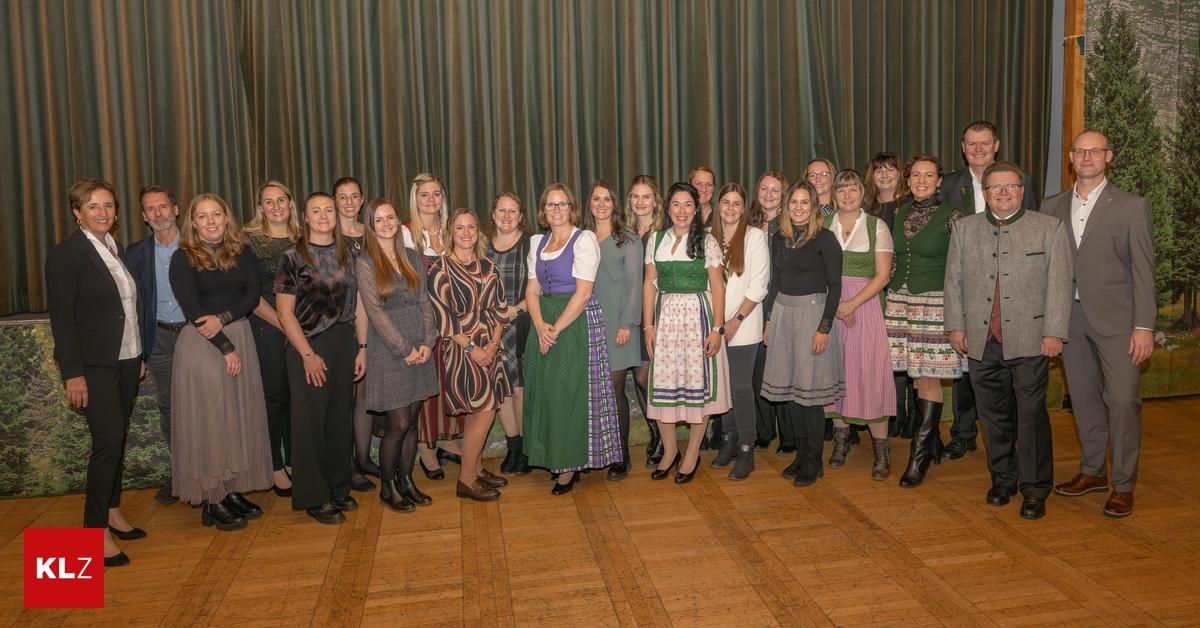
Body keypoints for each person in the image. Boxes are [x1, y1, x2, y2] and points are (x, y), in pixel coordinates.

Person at [944, 161, 1073, 520]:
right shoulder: (964, 229)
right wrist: (956, 326)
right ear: (983, 194)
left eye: (1010, 186)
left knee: (1031, 416)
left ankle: (1035, 489)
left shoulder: (1048, 229)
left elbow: (1060, 285)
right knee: (993, 417)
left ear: (1021, 190)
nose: (1002, 193)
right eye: (995, 188)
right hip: (982, 342)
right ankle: (1003, 479)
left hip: (1031, 341)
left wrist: (1054, 332)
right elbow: (953, 282)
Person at [1045, 130, 1156, 518]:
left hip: (1119, 322)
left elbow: (1144, 270)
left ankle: (1123, 484)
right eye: (1079, 151)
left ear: (1108, 157)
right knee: (1085, 399)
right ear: (1070, 158)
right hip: (1069, 321)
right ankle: (1093, 472)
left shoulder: (1131, 206)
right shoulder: (1051, 206)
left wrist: (1144, 325)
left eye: (1095, 151)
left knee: (1123, 401)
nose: (1086, 156)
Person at [45, 178, 145, 567]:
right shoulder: (67, 254)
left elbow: (126, 308)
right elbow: (63, 320)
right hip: (93, 365)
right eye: (93, 206)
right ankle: (93, 531)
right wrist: (73, 374)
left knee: (117, 437)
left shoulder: (113, 248)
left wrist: (137, 356)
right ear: (77, 212)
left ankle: (113, 511)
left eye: (107, 206)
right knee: (107, 441)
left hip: (126, 359)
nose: (102, 213)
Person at [168, 193, 273, 530]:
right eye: (203, 216)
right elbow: (193, 309)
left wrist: (225, 320)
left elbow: (251, 295)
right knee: (212, 421)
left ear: (226, 218)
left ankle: (231, 489)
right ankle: (212, 498)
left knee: (236, 418)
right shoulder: (183, 258)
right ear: (193, 222)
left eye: (217, 214)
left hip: (239, 334)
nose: (211, 221)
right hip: (204, 345)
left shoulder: (241, 251)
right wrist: (226, 347)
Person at [940, 121, 1040, 461]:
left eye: (985, 143)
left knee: (1006, 378)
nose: (978, 149)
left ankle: (1007, 440)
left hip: (1012, 293)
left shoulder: (1019, 181)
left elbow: (1033, 231)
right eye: (971, 144)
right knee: (965, 370)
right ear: (963, 148)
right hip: (967, 287)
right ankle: (963, 433)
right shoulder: (949, 184)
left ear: (996, 145)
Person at [275, 192, 369, 525]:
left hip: (344, 342)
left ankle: (338, 488)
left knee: (338, 419)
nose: (324, 215)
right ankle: (315, 496)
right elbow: (285, 315)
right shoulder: (292, 257)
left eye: (328, 209)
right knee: (310, 423)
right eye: (316, 210)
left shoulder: (350, 253)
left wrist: (362, 348)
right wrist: (307, 354)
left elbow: (357, 306)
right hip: (308, 345)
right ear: (305, 217)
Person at [524, 183, 623, 494]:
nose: (556, 210)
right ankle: (550, 455)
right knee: (545, 392)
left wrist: (555, 328)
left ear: (571, 208)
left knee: (568, 393)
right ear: (543, 210)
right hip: (544, 319)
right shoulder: (537, 242)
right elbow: (531, 289)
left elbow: (583, 294)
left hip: (574, 322)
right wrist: (540, 324)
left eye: (562, 204)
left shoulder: (585, 239)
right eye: (551, 205)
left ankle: (568, 466)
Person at [885, 154, 966, 488]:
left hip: (933, 303)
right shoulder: (900, 211)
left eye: (928, 175)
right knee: (917, 377)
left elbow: (964, 265)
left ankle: (918, 459)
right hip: (900, 300)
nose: (921, 181)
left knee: (928, 378)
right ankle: (932, 443)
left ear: (939, 180)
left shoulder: (953, 216)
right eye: (915, 175)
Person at [643, 182, 731, 483]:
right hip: (666, 320)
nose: (682, 211)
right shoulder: (655, 240)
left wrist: (718, 328)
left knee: (698, 387)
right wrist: (648, 326)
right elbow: (649, 285)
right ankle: (669, 451)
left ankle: (692, 452)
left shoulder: (707, 241)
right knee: (663, 386)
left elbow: (718, 287)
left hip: (698, 319)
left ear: (696, 209)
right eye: (676, 204)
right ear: (668, 208)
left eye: (688, 205)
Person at [357, 198, 439, 512]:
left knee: (414, 419)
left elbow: (424, 302)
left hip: (420, 345)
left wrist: (428, 341)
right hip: (390, 350)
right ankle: (388, 486)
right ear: (370, 225)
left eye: (390, 217)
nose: (386, 224)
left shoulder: (413, 256)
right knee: (399, 423)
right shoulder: (365, 263)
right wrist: (404, 348)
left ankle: (407, 479)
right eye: (379, 219)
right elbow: (375, 313)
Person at [428, 209, 514, 501]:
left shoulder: (488, 266)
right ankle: (465, 480)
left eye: (471, 228)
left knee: (481, 411)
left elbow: (501, 311)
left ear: (478, 231)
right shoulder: (440, 269)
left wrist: (493, 344)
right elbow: (444, 320)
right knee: (484, 409)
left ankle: (475, 468)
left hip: (490, 347)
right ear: (450, 232)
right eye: (460, 228)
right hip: (462, 350)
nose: (466, 233)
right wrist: (473, 349)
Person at [762, 181, 843, 487]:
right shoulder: (780, 238)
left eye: (804, 203)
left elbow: (835, 287)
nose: (798, 207)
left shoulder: (825, 239)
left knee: (810, 395)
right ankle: (800, 455)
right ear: (787, 205)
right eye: (793, 202)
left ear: (813, 207)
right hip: (783, 313)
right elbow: (774, 283)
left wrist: (824, 327)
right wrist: (769, 320)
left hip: (812, 316)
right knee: (791, 393)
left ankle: (814, 461)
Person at [823, 171, 896, 480]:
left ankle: (881, 445)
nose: (848, 195)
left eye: (853, 189)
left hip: (865, 308)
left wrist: (851, 304)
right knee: (838, 372)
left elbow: (883, 275)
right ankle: (840, 439)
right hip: (831, 303)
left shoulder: (876, 226)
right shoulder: (824, 225)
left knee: (869, 372)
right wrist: (836, 305)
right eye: (842, 190)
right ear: (834, 195)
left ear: (862, 193)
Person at [126, 185, 186, 505]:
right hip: (159, 339)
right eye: (150, 209)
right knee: (169, 408)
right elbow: (130, 307)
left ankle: (210, 474)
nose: (158, 213)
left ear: (176, 209)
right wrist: (138, 351)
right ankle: (180, 475)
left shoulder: (197, 246)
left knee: (203, 405)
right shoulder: (134, 254)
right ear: (144, 216)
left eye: (163, 206)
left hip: (195, 336)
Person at [583, 180, 644, 481]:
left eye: (607, 199)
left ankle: (622, 456)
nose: (601, 204)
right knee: (591, 391)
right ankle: (594, 453)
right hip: (586, 324)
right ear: (589, 203)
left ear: (615, 204)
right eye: (596, 199)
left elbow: (635, 286)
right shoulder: (581, 238)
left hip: (619, 326)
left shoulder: (628, 239)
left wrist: (626, 323)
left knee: (614, 390)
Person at [709, 183, 769, 480]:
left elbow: (759, 285)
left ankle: (747, 446)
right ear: (718, 206)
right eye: (726, 202)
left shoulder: (754, 237)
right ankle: (729, 440)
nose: (731, 208)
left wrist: (735, 321)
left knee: (742, 388)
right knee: (724, 387)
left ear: (744, 208)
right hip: (715, 327)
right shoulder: (709, 238)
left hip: (743, 327)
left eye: (737, 203)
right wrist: (717, 325)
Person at [243, 181, 300, 497]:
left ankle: (294, 460)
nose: (276, 206)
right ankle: (275, 466)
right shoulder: (249, 241)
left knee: (295, 396)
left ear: (290, 204)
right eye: (269, 201)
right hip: (268, 327)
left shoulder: (302, 239)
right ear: (260, 207)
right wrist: (284, 323)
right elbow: (249, 293)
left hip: (303, 330)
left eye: (281, 200)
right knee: (275, 398)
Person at [406, 173, 462, 479]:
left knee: (448, 382)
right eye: (424, 194)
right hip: (423, 323)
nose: (431, 200)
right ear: (415, 199)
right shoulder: (406, 234)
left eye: (436, 194)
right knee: (426, 385)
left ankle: (447, 441)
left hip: (452, 322)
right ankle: (426, 447)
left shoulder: (451, 230)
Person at [334, 176, 381, 491]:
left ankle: (363, 457)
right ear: (335, 201)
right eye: (342, 197)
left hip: (372, 322)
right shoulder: (326, 235)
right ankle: (346, 463)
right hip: (339, 323)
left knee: (364, 392)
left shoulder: (371, 235)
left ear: (362, 199)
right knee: (345, 397)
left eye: (354, 196)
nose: (349, 202)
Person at [865, 152, 916, 439]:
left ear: (900, 174)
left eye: (890, 170)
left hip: (903, 286)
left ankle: (912, 416)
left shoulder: (908, 205)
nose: (884, 175)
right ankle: (893, 412)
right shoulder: (867, 207)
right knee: (887, 355)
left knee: (908, 353)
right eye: (878, 171)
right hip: (874, 289)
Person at [485, 192, 534, 475]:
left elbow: (539, 287)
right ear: (493, 215)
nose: (506, 216)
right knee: (500, 390)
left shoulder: (531, 245)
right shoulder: (481, 246)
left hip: (520, 324)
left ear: (520, 216)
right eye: (501, 210)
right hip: (489, 329)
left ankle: (526, 448)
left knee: (519, 389)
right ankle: (512, 445)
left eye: (512, 211)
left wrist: (514, 311)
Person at [748, 170, 794, 454]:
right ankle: (764, 431)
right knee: (758, 373)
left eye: (775, 190)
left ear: (784, 194)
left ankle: (788, 435)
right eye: (763, 188)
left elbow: (783, 275)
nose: (768, 194)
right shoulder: (748, 222)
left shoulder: (790, 226)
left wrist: (772, 316)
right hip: (752, 305)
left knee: (783, 372)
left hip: (781, 305)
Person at [625, 175, 664, 467]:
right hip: (632, 314)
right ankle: (655, 432)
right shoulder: (624, 234)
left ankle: (663, 436)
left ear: (655, 201)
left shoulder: (662, 233)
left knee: (647, 377)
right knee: (639, 377)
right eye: (635, 197)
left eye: (646, 196)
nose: (640, 202)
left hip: (660, 314)